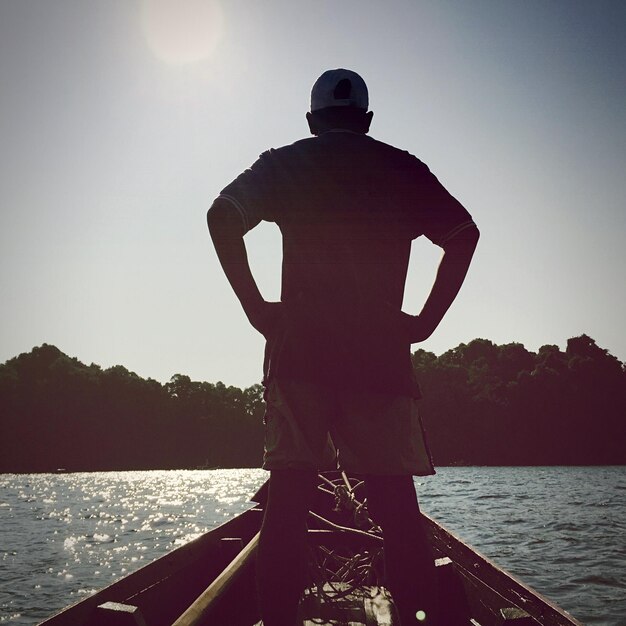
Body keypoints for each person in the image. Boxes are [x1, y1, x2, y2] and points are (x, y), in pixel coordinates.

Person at [207, 68, 479, 626]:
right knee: (397, 506)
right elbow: (463, 234)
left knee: (287, 497)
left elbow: (221, 216)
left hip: (300, 358)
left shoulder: (284, 163)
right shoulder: (403, 168)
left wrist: (257, 310)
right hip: (378, 362)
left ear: (311, 122)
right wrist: (425, 321)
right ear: (368, 120)